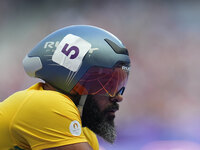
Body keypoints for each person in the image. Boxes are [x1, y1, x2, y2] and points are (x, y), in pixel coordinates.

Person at [0, 25, 131, 150]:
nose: (119, 97)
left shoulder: (84, 132)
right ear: (76, 83)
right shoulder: (49, 104)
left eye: (120, 86)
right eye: (108, 85)